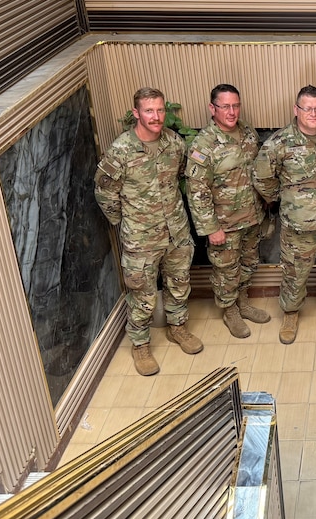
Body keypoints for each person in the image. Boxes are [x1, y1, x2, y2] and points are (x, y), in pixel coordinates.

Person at [94, 87, 201, 376]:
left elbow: (181, 173)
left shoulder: (174, 143)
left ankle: (178, 327)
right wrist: (127, 221)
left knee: (179, 282)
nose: (156, 116)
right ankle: (140, 344)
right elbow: (105, 192)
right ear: (136, 113)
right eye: (149, 110)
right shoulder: (121, 151)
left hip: (176, 231)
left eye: (160, 110)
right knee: (142, 293)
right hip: (141, 238)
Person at [253, 86, 316, 344]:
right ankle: (291, 312)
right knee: (294, 273)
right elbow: (262, 178)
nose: (313, 114)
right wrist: (285, 200)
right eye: (308, 108)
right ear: (296, 110)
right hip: (298, 226)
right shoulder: (279, 143)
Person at [186, 84, 272, 339]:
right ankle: (230, 311)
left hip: (252, 217)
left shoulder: (247, 132)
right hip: (225, 223)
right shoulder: (203, 145)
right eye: (225, 106)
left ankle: (243, 302)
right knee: (226, 271)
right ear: (212, 108)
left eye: (235, 105)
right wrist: (211, 228)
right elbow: (197, 190)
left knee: (248, 263)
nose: (232, 112)